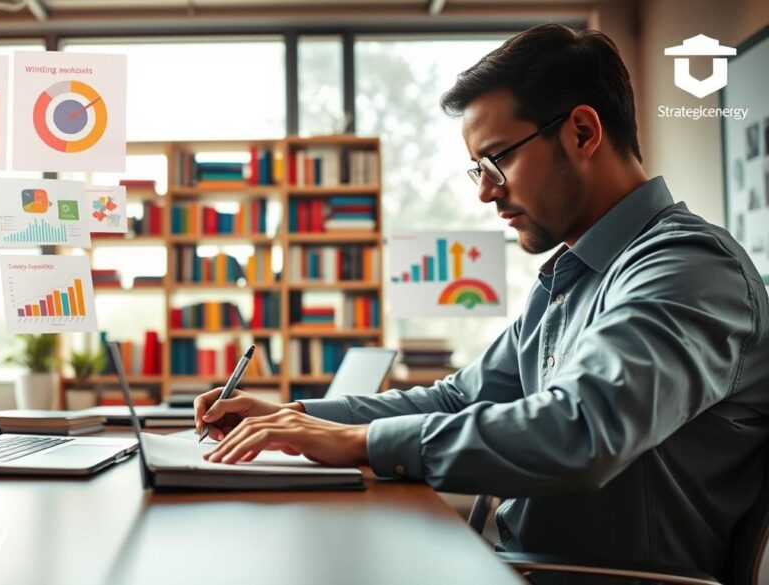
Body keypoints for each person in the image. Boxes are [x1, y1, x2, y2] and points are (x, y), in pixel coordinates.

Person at [194, 23, 769, 581]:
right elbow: (457, 398)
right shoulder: (574, 278)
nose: (485, 191)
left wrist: (360, 442)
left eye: (497, 160)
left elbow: (581, 430)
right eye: (478, 169)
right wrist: (295, 418)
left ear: (584, 133)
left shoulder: (689, 268)